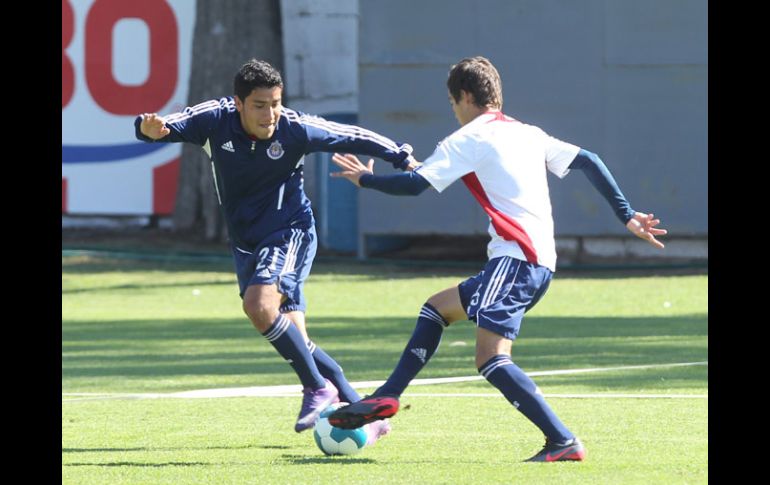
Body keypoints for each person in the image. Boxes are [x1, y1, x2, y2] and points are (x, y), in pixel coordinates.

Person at [326, 56, 667, 462]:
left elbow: (414, 187)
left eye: (453, 103)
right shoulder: (526, 133)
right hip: (534, 260)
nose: (454, 112)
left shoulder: (468, 138)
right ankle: (388, 396)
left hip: (516, 259)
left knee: (490, 358)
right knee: (436, 309)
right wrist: (627, 215)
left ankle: (562, 441)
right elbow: (589, 160)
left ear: (465, 97)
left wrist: (365, 179)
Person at [134, 59, 417, 442]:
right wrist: (148, 129)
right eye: (260, 105)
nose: (270, 114)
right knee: (296, 338)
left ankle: (317, 389)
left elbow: (349, 134)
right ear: (238, 103)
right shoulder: (215, 120)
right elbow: (164, 126)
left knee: (259, 306)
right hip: (247, 244)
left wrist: (400, 155)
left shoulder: (294, 128)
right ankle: (365, 412)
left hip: (290, 233)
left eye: (276, 103)